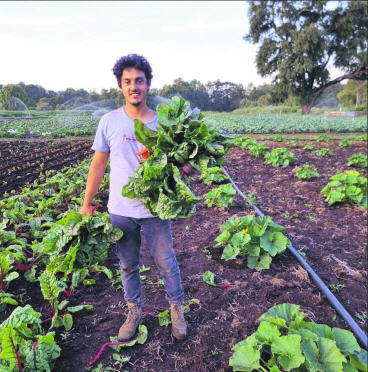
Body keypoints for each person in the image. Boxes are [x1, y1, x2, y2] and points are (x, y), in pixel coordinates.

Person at [79, 54, 190, 341]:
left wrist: (184, 165)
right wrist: (87, 201)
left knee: (166, 262)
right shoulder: (109, 121)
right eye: (127, 82)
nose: (133, 86)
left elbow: (181, 163)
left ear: (148, 84)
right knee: (128, 265)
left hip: (155, 209)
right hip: (120, 209)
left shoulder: (164, 123)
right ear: (121, 86)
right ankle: (133, 312)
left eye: (138, 81)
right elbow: (99, 164)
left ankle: (177, 309)